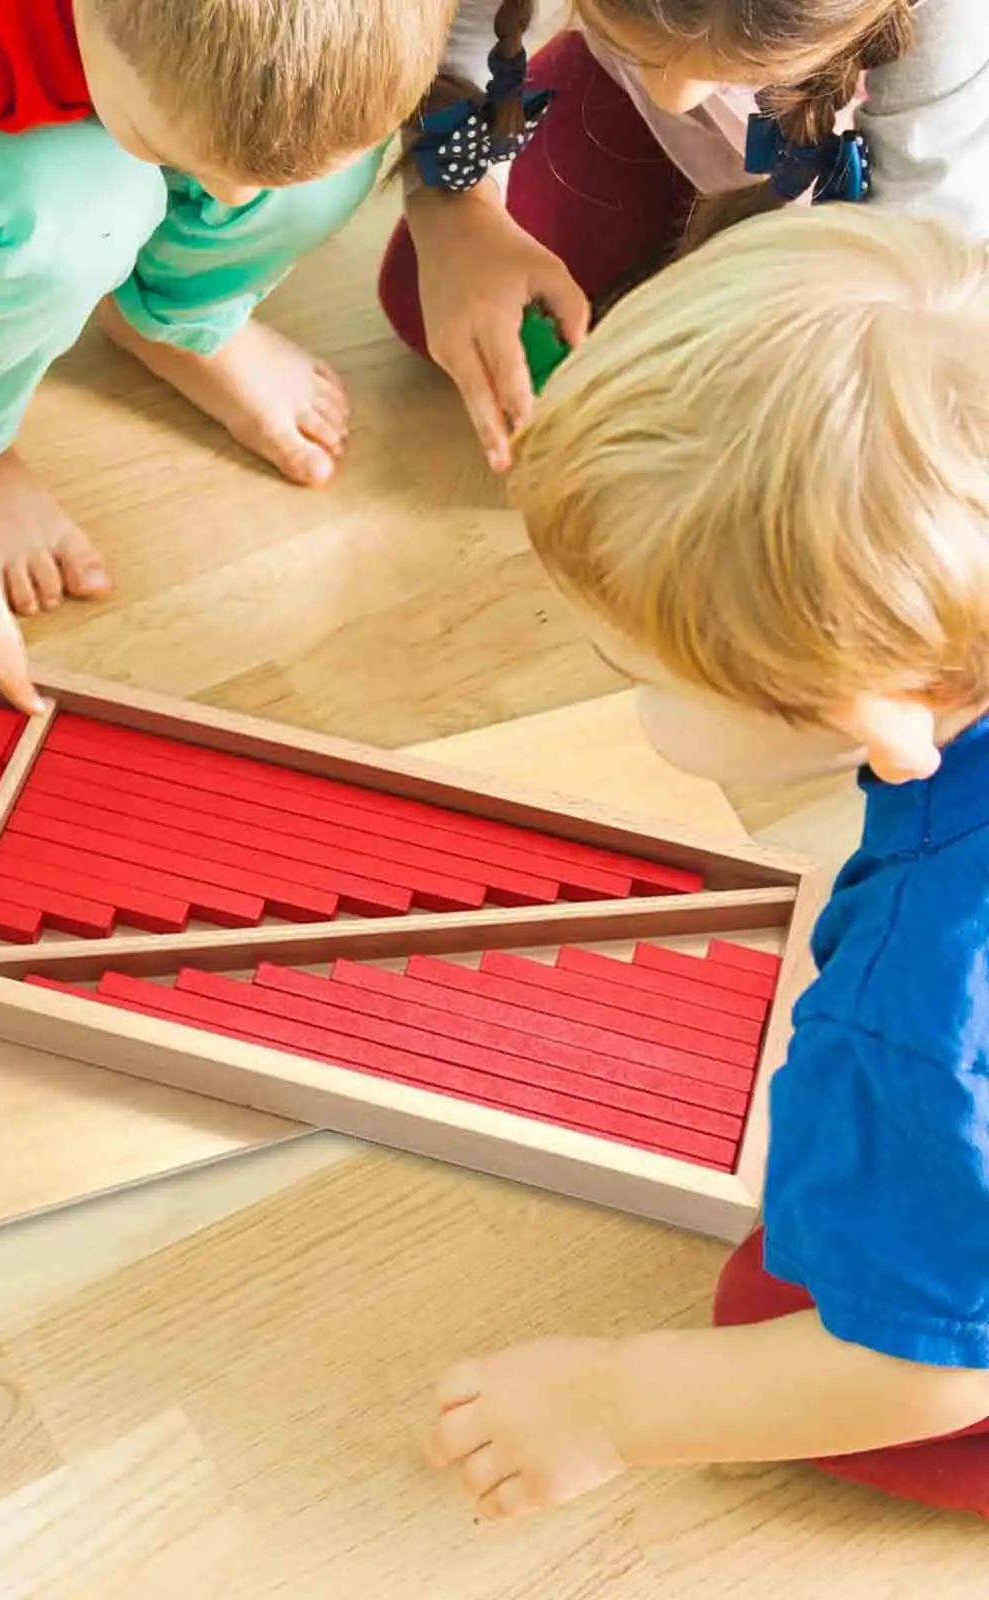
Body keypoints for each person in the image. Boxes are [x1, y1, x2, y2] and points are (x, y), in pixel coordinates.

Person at [427, 206, 989, 1520]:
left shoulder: (913, 1007)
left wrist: (616, 1402)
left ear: (877, 713)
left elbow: (925, 1376)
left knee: (781, 1309)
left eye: (633, 667)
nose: (617, 683)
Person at [0, 0, 454, 777]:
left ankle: (173, 312)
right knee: (78, 207)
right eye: (177, 154)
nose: (231, 202)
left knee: (306, 180)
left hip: (133, 79)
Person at [380, 0, 989, 472]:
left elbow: (922, 225)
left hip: (858, 182)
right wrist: (459, 214)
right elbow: (463, 31)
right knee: (442, 302)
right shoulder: (671, 76)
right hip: (688, 133)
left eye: (741, 68)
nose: (670, 94)